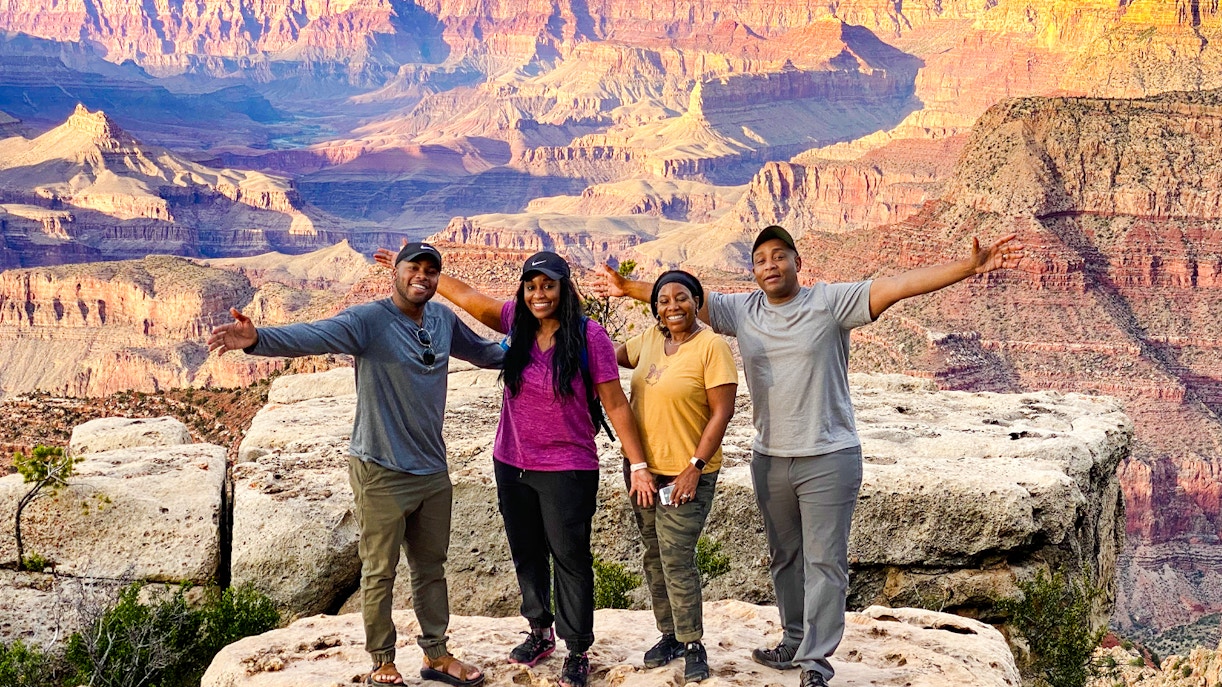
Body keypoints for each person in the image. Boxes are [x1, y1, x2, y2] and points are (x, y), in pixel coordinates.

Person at [594, 225, 1025, 687]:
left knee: (824, 562)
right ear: (754, 271)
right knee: (785, 558)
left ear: (798, 262)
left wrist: (967, 266)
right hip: (770, 456)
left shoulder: (830, 302)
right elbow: (680, 298)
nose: (770, 266)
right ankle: (794, 640)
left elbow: (898, 286)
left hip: (828, 454)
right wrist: (627, 289)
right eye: (761, 260)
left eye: (780, 256)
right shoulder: (743, 310)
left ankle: (816, 664)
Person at [208, 242, 500, 687]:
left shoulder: (442, 320)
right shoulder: (369, 320)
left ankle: (437, 656)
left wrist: (537, 341)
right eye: (413, 268)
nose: (421, 276)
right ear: (395, 273)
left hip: (432, 470)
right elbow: (315, 333)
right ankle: (382, 660)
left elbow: (484, 352)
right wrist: (258, 340)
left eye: (430, 270)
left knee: (430, 569)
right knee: (379, 571)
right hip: (380, 469)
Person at [377, 248, 654, 687]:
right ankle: (539, 629)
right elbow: (470, 297)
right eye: (531, 286)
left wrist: (637, 463)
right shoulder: (516, 323)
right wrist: (419, 272)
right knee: (526, 553)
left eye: (548, 285)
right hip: (511, 462)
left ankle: (578, 647)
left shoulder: (589, 337)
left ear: (564, 289)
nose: (538, 294)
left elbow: (615, 401)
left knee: (570, 559)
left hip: (568, 467)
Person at [614, 270, 737, 683]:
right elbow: (609, 357)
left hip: (687, 473)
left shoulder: (712, 347)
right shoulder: (648, 340)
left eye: (681, 298)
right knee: (653, 556)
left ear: (696, 300)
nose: (672, 307)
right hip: (643, 471)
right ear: (655, 309)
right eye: (663, 300)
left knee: (676, 557)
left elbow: (723, 412)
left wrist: (694, 468)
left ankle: (692, 642)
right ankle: (668, 634)